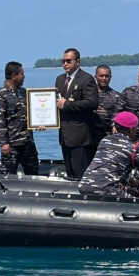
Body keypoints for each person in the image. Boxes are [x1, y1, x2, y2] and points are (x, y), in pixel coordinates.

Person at [78, 112, 139, 198]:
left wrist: (131, 181)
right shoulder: (134, 147)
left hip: (84, 185)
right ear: (131, 129)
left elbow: (110, 166)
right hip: (107, 189)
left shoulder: (105, 140)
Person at [55, 48, 99, 180]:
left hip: (80, 136)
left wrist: (67, 105)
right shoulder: (60, 79)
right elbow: (56, 104)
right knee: (69, 173)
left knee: (80, 175)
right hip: (64, 135)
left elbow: (92, 103)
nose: (65, 64)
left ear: (78, 62)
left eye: (69, 61)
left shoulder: (86, 79)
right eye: (63, 61)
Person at [0, 61, 39, 177]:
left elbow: (33, 114)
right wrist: (3, 143)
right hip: (12, 145)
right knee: (7, 176)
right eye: (22, 74)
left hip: (27, 142)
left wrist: (39, 123)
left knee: (33, 174)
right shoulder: (0, 95)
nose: (24, 77)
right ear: (14, 76)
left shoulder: (24, 93)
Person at [93, 65, 121, 146]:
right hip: (90, 136)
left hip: (107, 137)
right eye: (101, 76)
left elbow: (117, 115)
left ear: (110, 77)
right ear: (96, 77)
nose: (104, 78)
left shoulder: (117, 96)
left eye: (106, 76)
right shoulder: (88, 94)